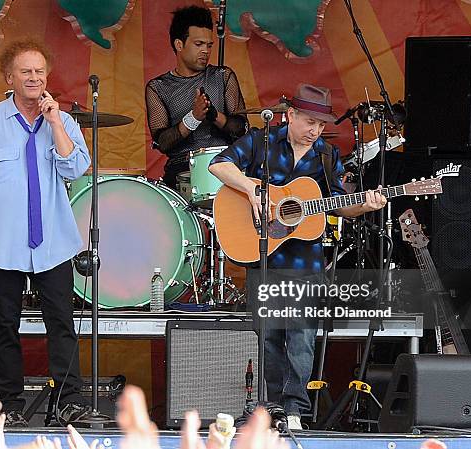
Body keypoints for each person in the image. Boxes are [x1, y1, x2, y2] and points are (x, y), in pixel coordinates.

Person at [209, 83, 387, 429]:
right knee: (270, 339)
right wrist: (253, 188)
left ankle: (295, 411)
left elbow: (341, 203)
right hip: (265, 260)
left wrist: (364, 204)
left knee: (302, 339)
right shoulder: (261, 141)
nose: (315, 131)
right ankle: (272, 407)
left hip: (306, 263)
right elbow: (219, 165)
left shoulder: (325, 155)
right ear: (289, 115)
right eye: (309, 122)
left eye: (320, 125)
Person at [0, 38, 92, 427]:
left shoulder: (62, 121)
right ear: (9, 77)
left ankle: (69, 400)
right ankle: (10, 404)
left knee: (62, 323)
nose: (34, 77)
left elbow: (76, 168)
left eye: (40, 71)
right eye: (26, 71)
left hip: (52, 240)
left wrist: (54, 122)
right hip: (5, 240)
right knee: (5, 325)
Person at [145, 5, 248, 189]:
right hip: (182, 171)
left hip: (226, 166)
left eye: (209, 45)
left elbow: (241, 128)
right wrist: (193, 118)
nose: (206, 51)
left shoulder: (223, 76)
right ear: (179, 45)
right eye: (198, 44)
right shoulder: (158, 87)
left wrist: (214, 115)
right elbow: (163, 142)